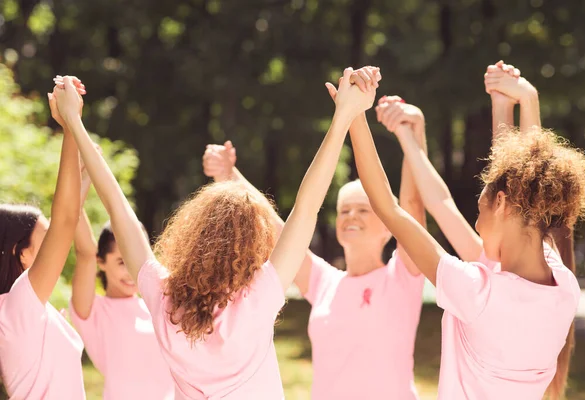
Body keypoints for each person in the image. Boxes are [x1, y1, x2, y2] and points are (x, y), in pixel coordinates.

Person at [53, 66, 379, 399]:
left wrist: (73, 122)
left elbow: (118, 209)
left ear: (191, 235)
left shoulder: (161, 295)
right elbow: (306, 209)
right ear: (255, 245)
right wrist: (343, 117)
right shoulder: (259, 297)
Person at [344, 68, 585, 399]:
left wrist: (353, 114)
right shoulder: (562, 286)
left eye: (478, 212)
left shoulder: (478, 292)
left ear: (502, 204)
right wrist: (510, 102)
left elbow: (389, 210)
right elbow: (512, 190)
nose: (475, 224)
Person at [203, 70, 426, 398]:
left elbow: (413, 207)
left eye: (363, 209)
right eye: (344, 209)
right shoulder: (325, 283)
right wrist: (229, 175)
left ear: (388, 226)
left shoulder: (403, 276)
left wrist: (412, 134)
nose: (350, 216)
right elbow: (280, 229)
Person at [0, 79, 85, 398]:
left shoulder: (21, 308)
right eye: (45, 237)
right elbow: (66, 219)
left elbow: (69, 212)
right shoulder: (19, 305)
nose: (55, 244)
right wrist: (70, 124)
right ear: (18, 253)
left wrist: (84, 169)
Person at [69, 161, 174, 399]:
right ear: (101, 261)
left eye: (132, 259)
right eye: (120, 261)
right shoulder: (91, 310)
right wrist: (84, 180)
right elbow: (83, 251)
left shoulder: (157, 302)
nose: (130, 271)